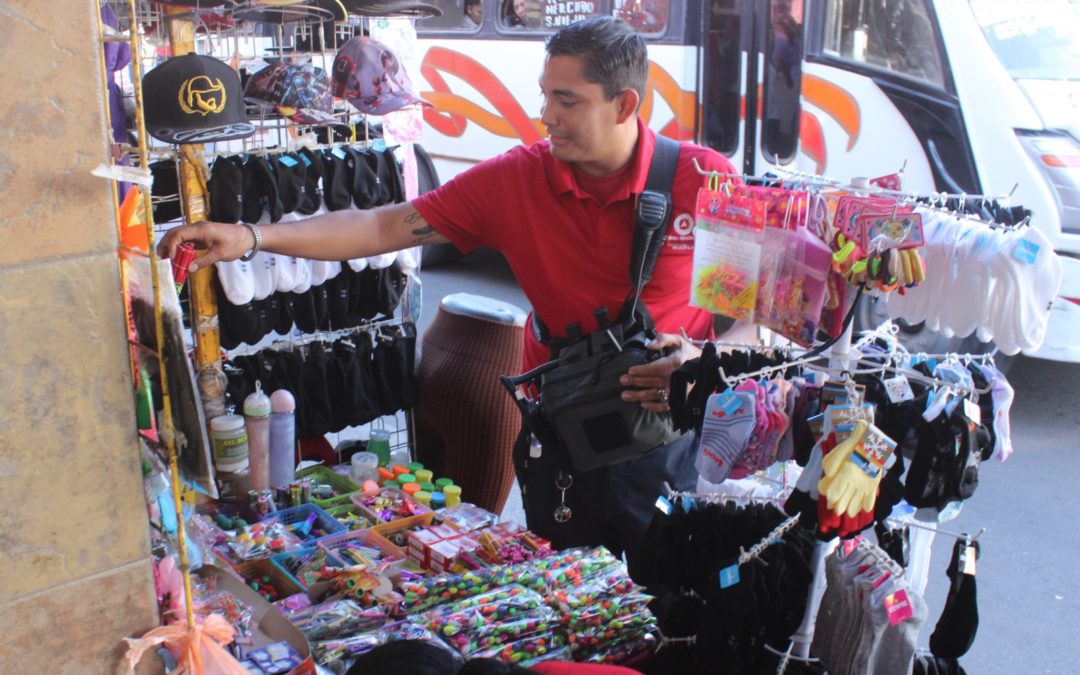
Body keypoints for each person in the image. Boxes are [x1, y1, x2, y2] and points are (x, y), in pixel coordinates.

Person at [157, 17, 740, 556]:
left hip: (663, 442)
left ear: (625, 104)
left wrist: (704, 359)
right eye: (545, 96)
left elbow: (762, 316)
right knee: (562, 592)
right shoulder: (517, 180)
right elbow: (383, 225)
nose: (547, 115)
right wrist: (250, 238)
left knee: (666, 597)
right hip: (557, 436)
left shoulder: (704, 180)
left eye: (567, 100)